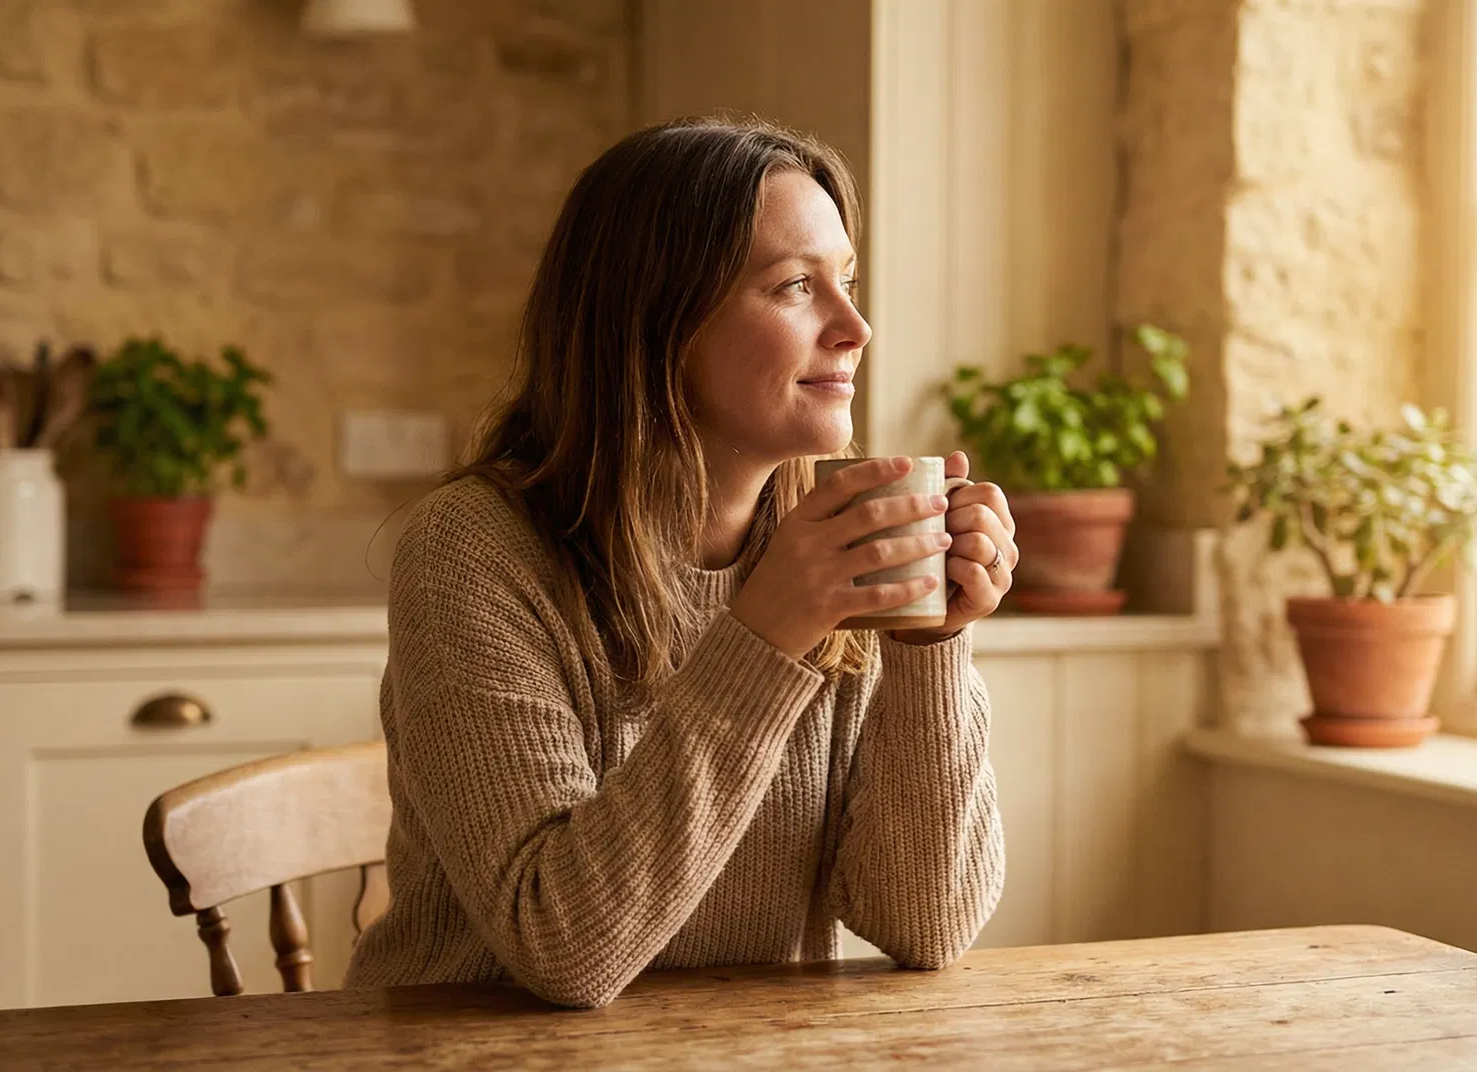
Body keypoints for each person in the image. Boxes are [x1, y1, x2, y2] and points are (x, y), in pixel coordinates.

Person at [344, 116, 1014, 1009]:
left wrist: (931, 647)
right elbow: (565, 950)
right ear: (655, 323)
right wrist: (769, 634)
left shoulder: (830, 539)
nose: (854, 327)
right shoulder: (470, 551)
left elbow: (923, 924)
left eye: (846, 282)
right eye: (793, 287)